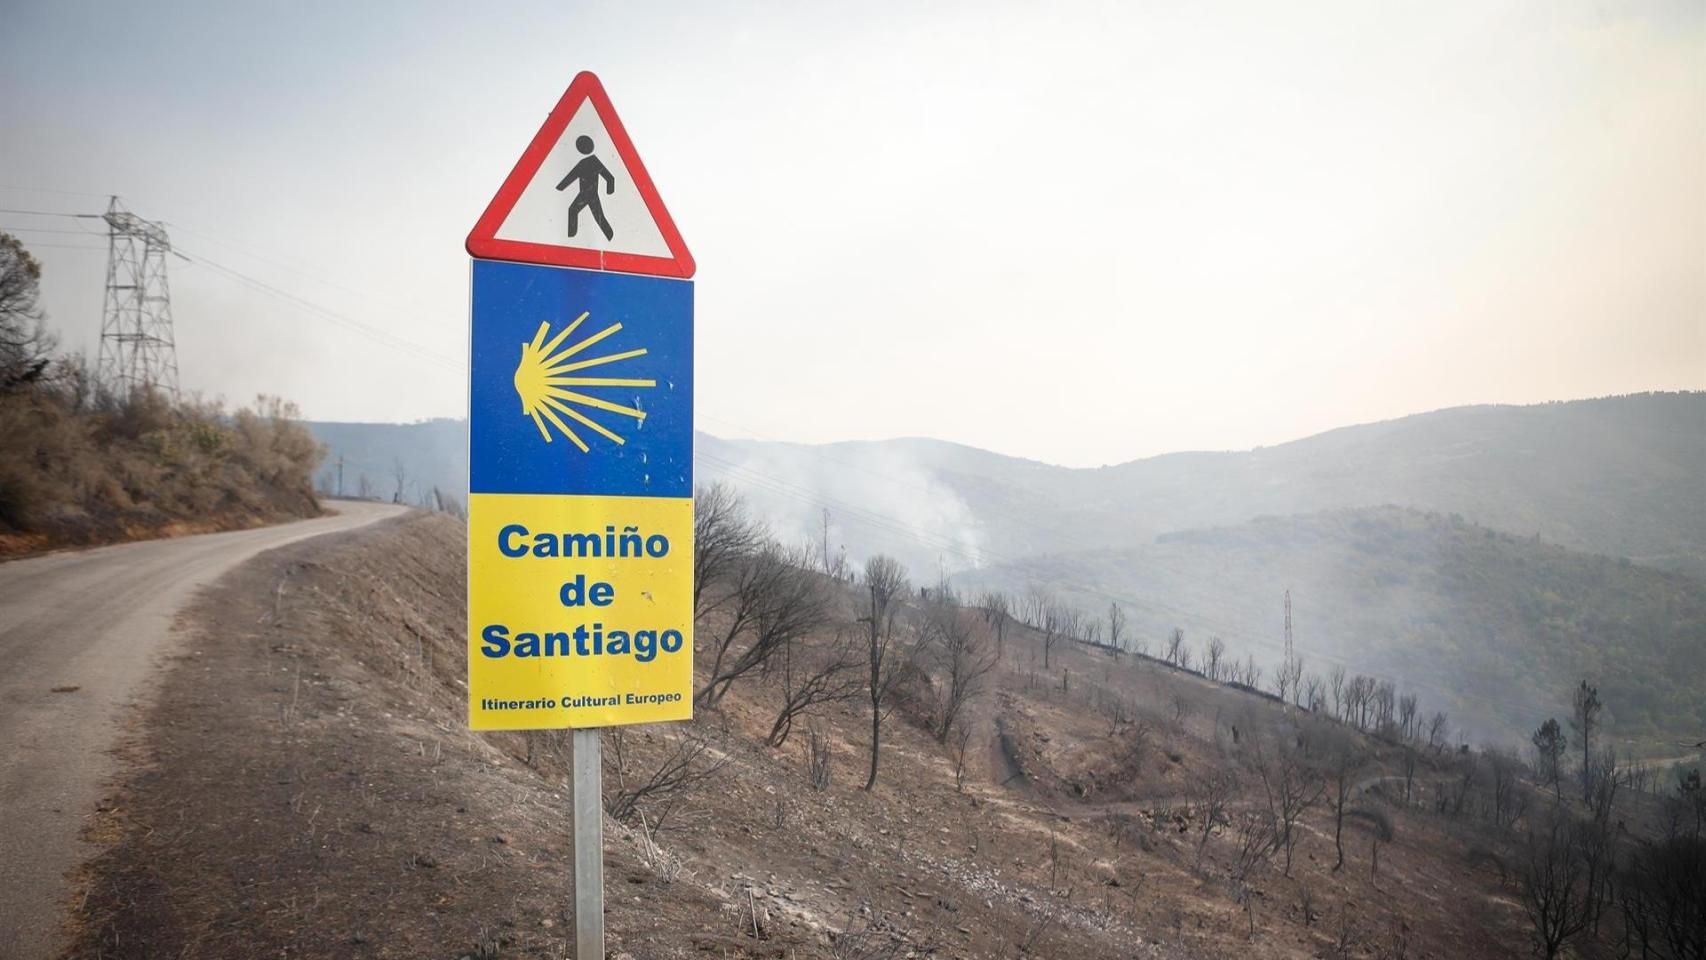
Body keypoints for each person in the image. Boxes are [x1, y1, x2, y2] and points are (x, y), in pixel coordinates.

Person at [556, 135, 615, 240]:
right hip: (587, 194)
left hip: (589, 194)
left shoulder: (590, 162)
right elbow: (571, 177)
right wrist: (560, 187)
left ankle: (609, 236)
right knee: (596, 216)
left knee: (580, 212)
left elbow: (609, 177)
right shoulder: (588, 162)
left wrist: (610, 190)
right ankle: (609, 236)